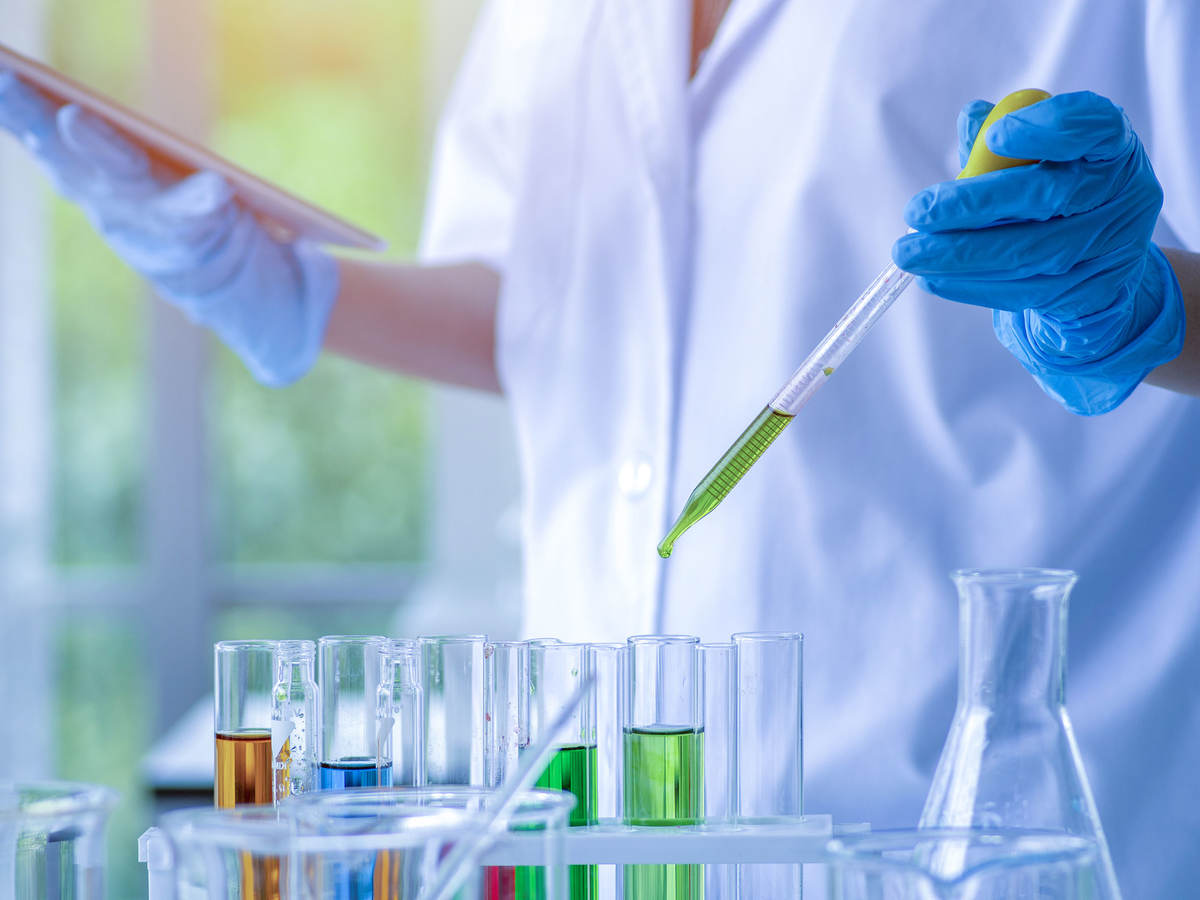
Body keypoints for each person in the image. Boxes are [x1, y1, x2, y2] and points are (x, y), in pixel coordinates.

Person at [3, 0, 1199, 893]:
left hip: (974, 822)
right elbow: (551, 307)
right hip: (608, 829)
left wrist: (1127, 296)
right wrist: (283, 284)